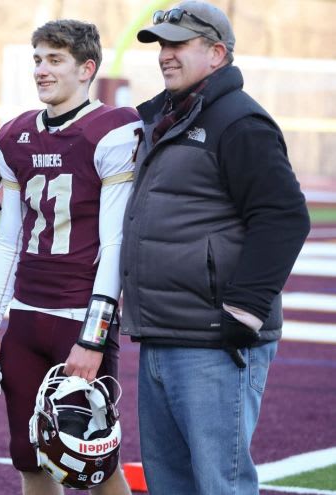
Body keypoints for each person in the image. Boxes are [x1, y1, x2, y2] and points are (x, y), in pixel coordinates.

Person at [119, 2, 311, 494]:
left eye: (178, 44)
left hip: (215, 339)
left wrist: (244, 309)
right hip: (163, 331)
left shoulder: (239, 120)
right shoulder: (167, 116)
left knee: (218, 484)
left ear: (217, 52)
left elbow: (284, 217)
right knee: (171, 484)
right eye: (162, 44)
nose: (165, 54)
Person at [0, 20, 141, 495]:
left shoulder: (112, 131)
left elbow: (115, 245)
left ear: (86, 68)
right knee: (31, 455)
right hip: (26, 317)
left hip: (78, 316)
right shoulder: (16, 135)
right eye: (37, 59)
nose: (41, 70)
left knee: (94, 459)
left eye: (54, 60)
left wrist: (94, 336)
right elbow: (6, 239)